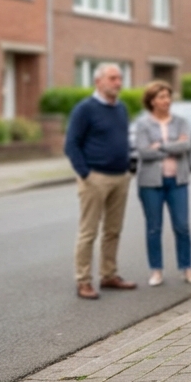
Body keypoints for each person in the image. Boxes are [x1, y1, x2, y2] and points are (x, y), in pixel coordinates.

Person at [65, 63, 139, 299]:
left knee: (113, 230)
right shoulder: (85, 109)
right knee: (88, 232)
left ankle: (109, 275)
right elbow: (71, 144)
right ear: (98, 82)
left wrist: (128, 167)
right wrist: (85, 173)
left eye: (120, 78)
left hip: (120, 177)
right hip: (95, 178)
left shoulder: (121, 109)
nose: (118, 82)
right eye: (112, 78)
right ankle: (83, 280)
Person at [132, 80, 191, 287]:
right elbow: (143, 151)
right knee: (154, 228)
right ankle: (156, 271)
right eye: (162, 97)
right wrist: (173, 145)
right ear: (152, 101)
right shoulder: (143, 124)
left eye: (168, 96)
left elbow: (186, 145)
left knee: (182, 226)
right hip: (150, 184)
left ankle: (187, 268)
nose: (167, 100)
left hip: (177, 181)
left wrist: (160, 146)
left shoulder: (180, 121)